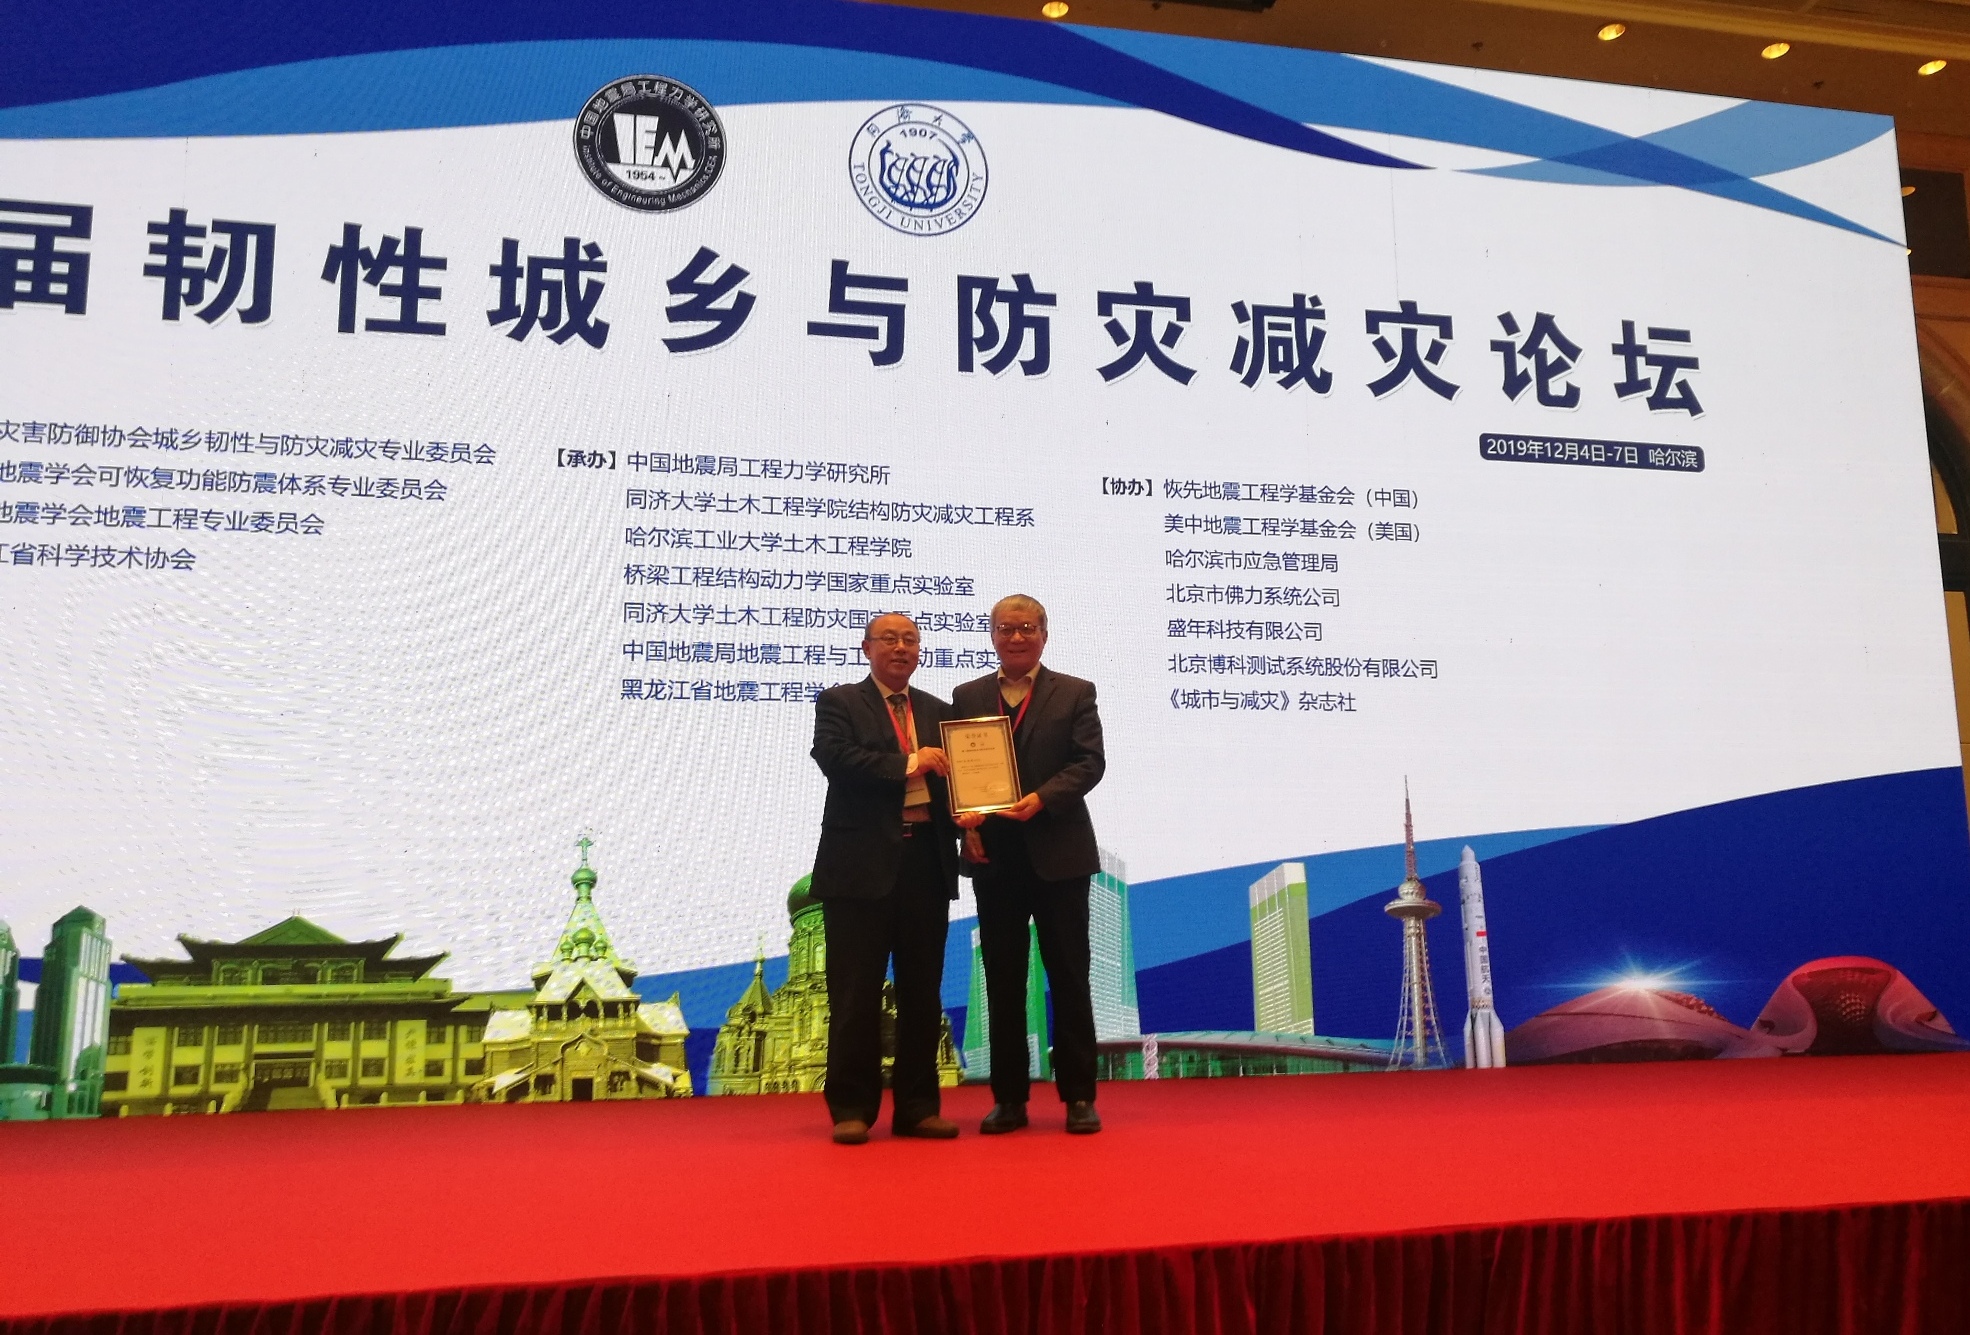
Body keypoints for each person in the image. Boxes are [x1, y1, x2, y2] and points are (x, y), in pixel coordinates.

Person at [951, 594, 1106, 1135]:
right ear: (992, 635)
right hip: (994, 858)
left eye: (1026, 627)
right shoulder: (967, 695)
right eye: (1005, 628)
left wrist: (1041, 798)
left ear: (1044, 633)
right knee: (1003, 982)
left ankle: (1079, 1096)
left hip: (1060, 855)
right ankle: (1009, 1099)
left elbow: (1089, 763)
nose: (1016, 637)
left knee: (1069, 978)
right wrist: (967, 827)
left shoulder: (1075, 691)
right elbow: (960, 776)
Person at [807, 612, 963, 1145]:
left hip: (925, 862)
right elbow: (835, 758)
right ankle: (851, 1107)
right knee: (855, 993)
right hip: (859, 866)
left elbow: (957, 781)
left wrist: (973, 813)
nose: (900, 648)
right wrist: (910, 763)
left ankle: (918, 1108)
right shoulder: (840, 702)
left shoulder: (939, 711)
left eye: (910, 640)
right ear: (866, 648)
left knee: (922, 992)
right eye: (889, 639)